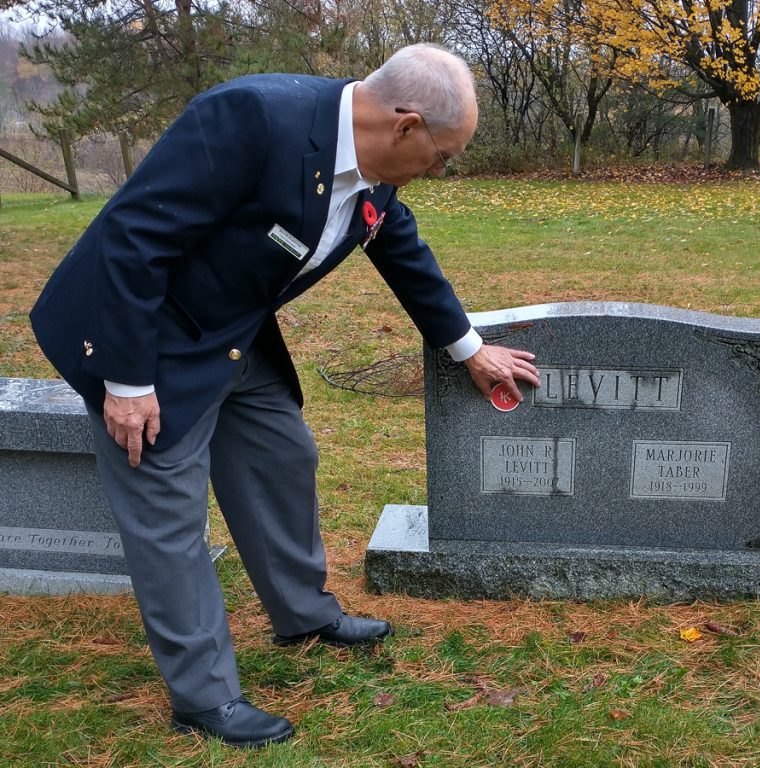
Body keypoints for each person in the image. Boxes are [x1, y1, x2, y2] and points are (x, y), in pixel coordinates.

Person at [30, 44, 539, 748]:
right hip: (148, 341)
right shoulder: (252, 118)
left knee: (282, 454)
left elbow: (400, 247)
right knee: (169, 518)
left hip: (233, 334)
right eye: (442, 155)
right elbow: (132, 237)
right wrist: (126, 383)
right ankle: (204, 697)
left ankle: (304, 613)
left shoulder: (373, 172)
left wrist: (468, 347)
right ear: (406, 125)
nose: (439, 171)